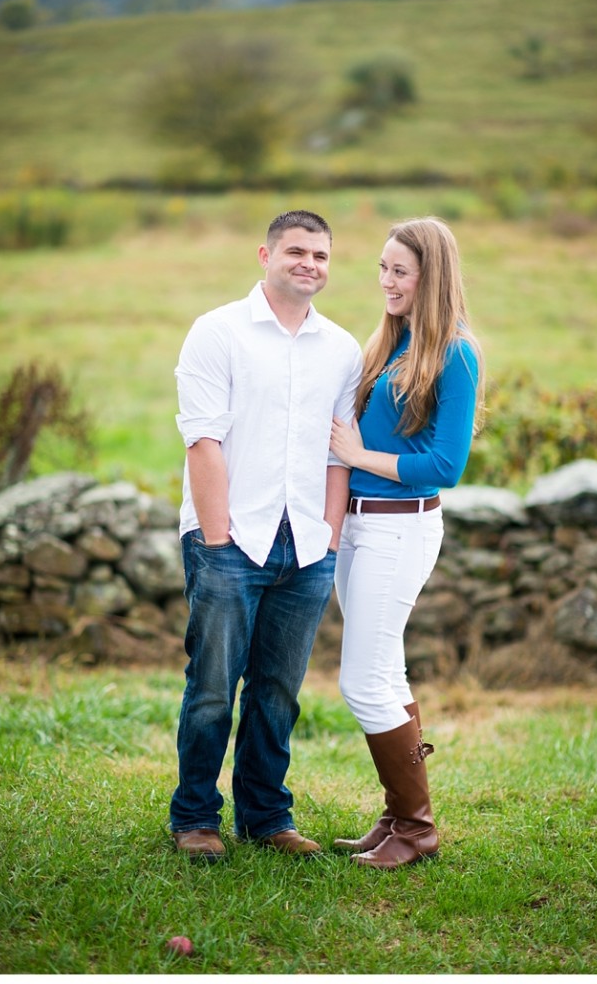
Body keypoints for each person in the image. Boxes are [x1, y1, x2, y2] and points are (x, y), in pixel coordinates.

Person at [170, 210, 363, 861]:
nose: (310, 264)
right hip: (230, 541)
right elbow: (202, 440)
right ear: (265, 254)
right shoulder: (217, 331)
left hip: (306, 547)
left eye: (322, 256)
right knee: (214, 689)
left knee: (278, 692)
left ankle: (265, 818)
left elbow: (341, 455)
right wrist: (219, 541)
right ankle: (195, 818)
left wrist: (329, 539)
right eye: (298, 251)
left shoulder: (341, 349)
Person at [329, 216, 484, 870]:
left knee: (361, 682)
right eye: (383, 269)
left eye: (400, 271)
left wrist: (363, 456)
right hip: (362, 525)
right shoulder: (389, 341)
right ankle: (398, 819)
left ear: (431, 277)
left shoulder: (455, 352)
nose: (386, 282)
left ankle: (417, 829)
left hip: (402, 525)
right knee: (386, 673)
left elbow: (447, 466)